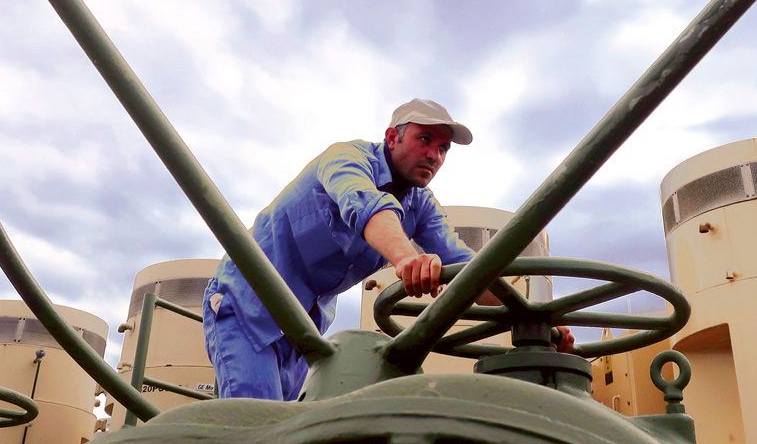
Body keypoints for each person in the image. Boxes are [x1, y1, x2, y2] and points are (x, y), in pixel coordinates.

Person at [202, 98, 572, 400]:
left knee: (288, 429)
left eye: (443, 148)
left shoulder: (421, 204)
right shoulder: (346, 159)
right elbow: (366, 204)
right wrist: (407, 258)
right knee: (255, 423)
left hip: (303, 327)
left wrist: (541, 324)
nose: (435, 155)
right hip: (248, 303)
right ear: (392, 137)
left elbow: (470, 270)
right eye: (424, 140)